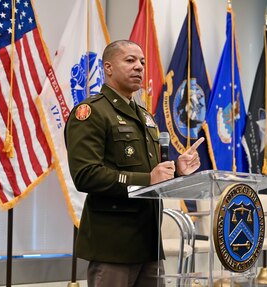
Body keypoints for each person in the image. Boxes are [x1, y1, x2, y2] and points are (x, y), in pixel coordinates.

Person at [65, 40, 203, 287]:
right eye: (129, 60)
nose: (139, 67)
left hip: (149, 243)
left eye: (141, 62)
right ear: (108, 67)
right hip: (113, 246)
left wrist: (177, 170)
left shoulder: (145, 116)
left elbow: (152, 173)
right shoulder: (91, 112)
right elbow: (86, 174)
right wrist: (147, 180)